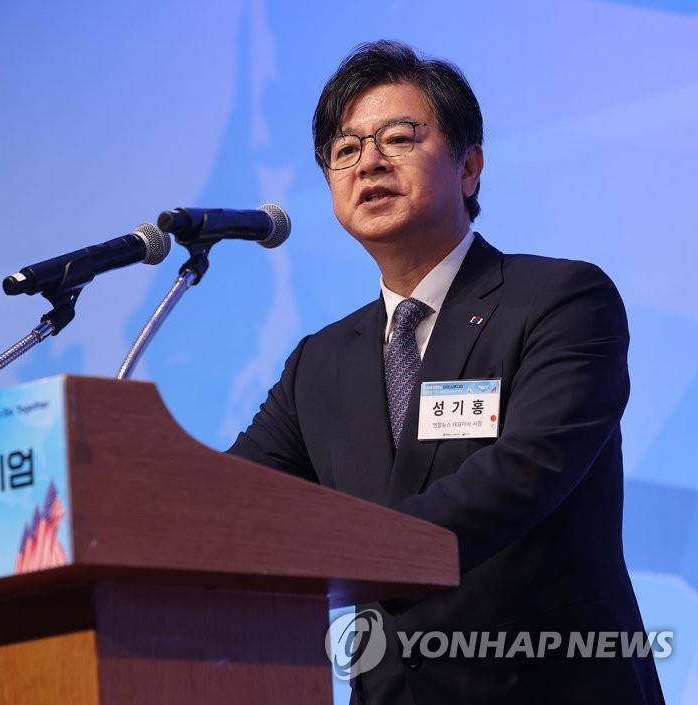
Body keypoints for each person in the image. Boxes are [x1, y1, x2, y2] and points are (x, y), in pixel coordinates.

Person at [228, 40, 664, 704]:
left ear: (469, 167)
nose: (368, 160)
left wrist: (355, 552)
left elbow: (526, 471)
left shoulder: (559, 300)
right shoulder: (320, 360)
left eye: (398, 138)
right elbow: (234, 501)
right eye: (345, 150)